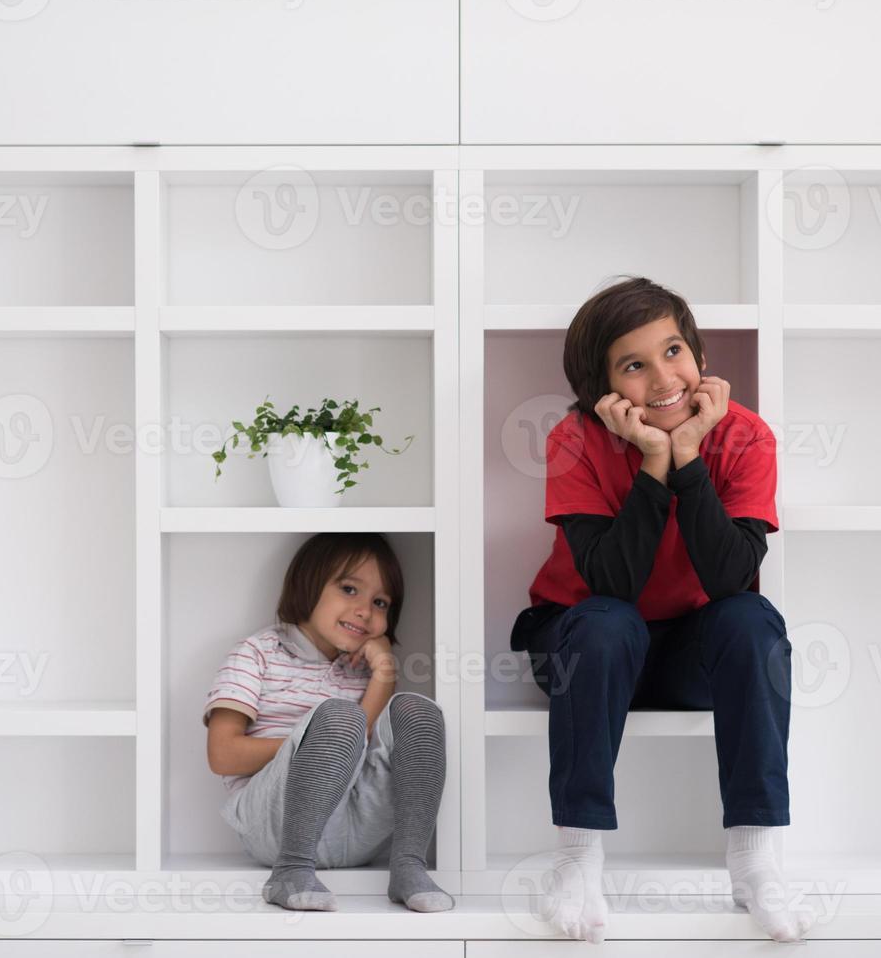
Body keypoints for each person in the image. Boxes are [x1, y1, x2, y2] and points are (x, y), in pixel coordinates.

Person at [511, 276, 814, 943]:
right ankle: (576, 859)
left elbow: (733, 576)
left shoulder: (744, 436)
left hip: (684, 651)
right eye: (633, 365)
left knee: (752, 620)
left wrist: (689, 459)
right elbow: (611, 583)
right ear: (604, 388)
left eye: (672, 351)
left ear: (698, 354)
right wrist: (653, 460)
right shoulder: (575, 438)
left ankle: (755, 861)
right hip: (580, 642)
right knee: (606, 622)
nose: (662, 377)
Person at [203, 532, 454, 913]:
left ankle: (408, 865)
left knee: (418, 712)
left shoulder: (366, 670)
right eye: (350, 589)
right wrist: (309, 745)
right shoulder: (258, 653)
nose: (365, 611)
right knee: (340, 716)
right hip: (275, 826)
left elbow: (364, 740)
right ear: (308, 583)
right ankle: (290, 870)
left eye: (380, 602)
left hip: (356, 832)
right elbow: (222, 755)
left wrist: (384, 673)